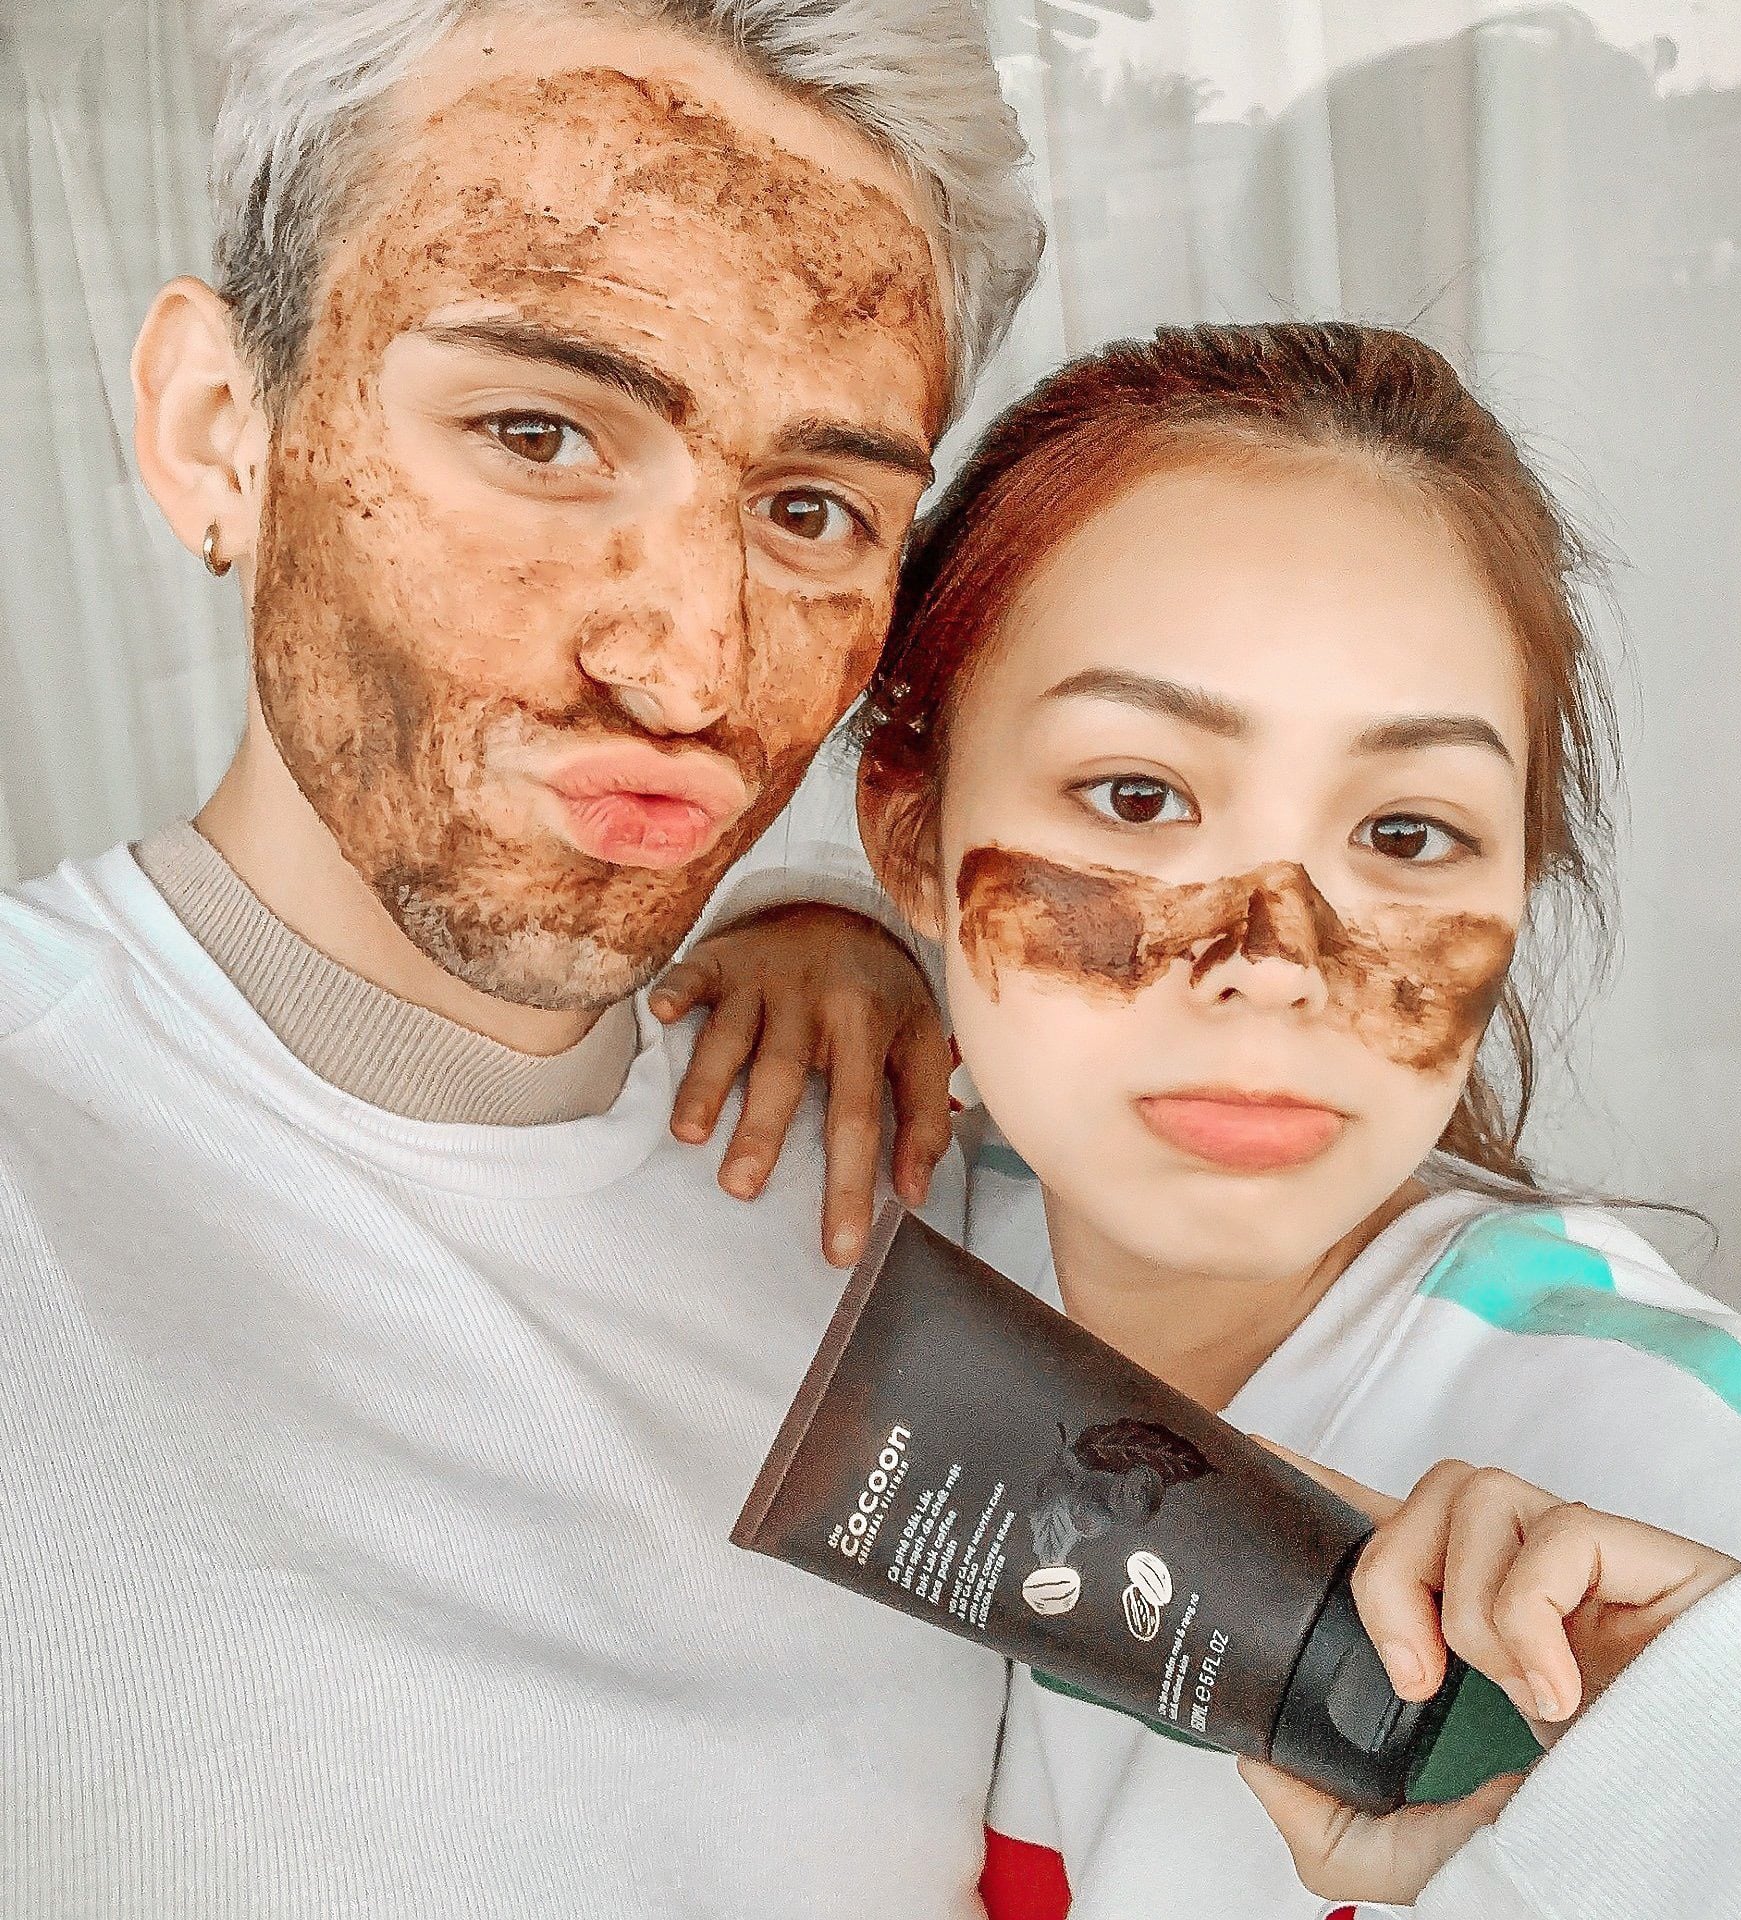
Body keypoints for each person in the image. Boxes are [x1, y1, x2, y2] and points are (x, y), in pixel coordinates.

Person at [0, 1, 1044, 1910]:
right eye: (540, 433)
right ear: (218, 430)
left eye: (812, 511)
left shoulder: (918, 1219)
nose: (689, 668)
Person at [672, 319, 1741, 1916]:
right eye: (1139, 797)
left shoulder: (1695, 1491)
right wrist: (802, 926)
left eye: (1405, 833)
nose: (1273, 962)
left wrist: (1713, 1794)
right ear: (908, 832)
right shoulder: (882, 1248)